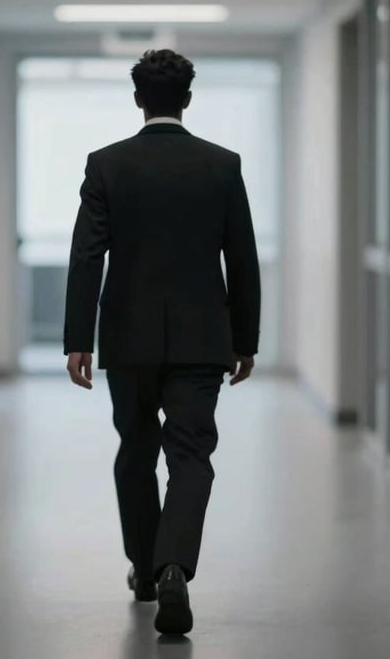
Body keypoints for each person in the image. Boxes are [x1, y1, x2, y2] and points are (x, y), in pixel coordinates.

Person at [63, 49, 261, 636]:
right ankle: (173, 565)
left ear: (138, 100)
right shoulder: (222, 165)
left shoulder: (106, 165)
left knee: (136, 450)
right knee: (191, 455)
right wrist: (245, 338)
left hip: (128, 339)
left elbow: (86, 255)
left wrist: (78, 339)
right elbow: (242, 259)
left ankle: (146, 571)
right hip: (203, 340)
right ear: (188, 100)